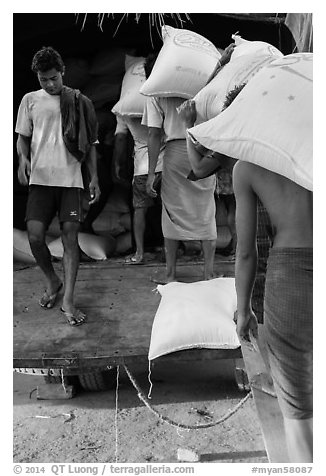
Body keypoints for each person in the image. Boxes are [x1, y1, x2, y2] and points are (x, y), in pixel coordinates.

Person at [233, 162, 313, 463]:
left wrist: (244, 310)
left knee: (299, 411)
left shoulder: (249, 167)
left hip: (290, 280)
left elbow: (245, 251)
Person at [15, 46, 100, 326]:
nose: (50, 84)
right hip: (41, 179)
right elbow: (22, 138)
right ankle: (53, 281)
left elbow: (90, 146)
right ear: (37, 77)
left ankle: (69, 299)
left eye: (53, 78)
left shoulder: (79, 101)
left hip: (70, 180)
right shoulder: (29, 100)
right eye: (43, 79)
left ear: (62, 72)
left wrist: (94, 178)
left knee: (69, 238)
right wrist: (22, 160)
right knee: (36, 237)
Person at [142, 54, 228, 283]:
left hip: (175, 154)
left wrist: (151, 173)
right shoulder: (199, 84)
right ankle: (208, 272)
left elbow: (153, 134)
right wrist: (222, 61)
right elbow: (215, 82)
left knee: (171, 212)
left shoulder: (154, 92)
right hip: (201, 148)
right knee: (205, 210)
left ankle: (170, 274)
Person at [113, 113, 165, 264]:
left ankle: (139, 253)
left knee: (140, 210)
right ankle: (169, 250)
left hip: (142, 168)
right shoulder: (160, 105)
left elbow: (121, 138)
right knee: (168, 209)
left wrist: (117, 163)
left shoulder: (124, 111)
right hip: (165, 165)